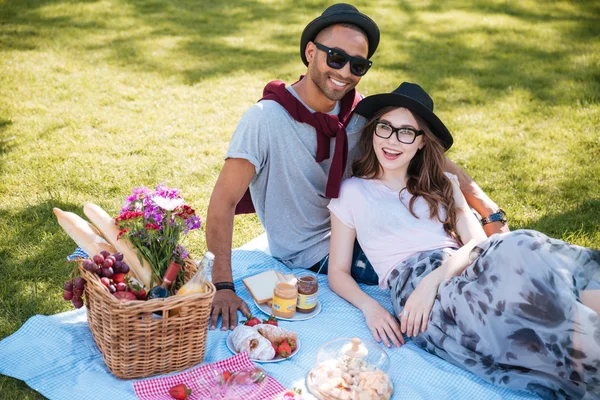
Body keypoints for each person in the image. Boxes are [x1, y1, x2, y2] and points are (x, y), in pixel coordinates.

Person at [205, 4, 507, 331]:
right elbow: (224, 201)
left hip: (373, 220)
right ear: (310, 52)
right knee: (446, 281)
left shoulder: (360, 115)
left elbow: (432, 156)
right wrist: (223, 286)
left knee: (472, 246)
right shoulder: (265, 120)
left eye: (358, 65)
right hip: (318, 252)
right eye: (336, 58)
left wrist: (488, 211)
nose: (345, 71)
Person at [327, 82, 600, 399]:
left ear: (421, 143)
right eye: (385, 128)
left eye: (406, 132)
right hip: (419, 292)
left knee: (525, 251)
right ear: (374, 130)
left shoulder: (442, 183)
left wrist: (436, 278)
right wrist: (371, 307)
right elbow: (338, 271)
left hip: (463, 266)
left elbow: (475, 244)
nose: (391, 140)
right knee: (530, 298)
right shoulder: (352, 192)